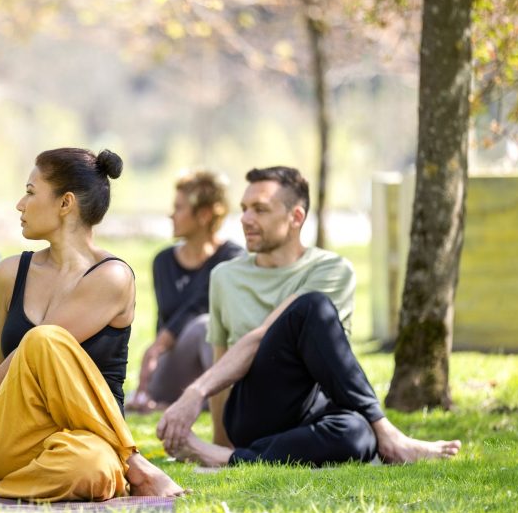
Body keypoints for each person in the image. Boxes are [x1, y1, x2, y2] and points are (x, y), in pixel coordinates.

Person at [0, 148, 184, 501]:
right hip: (10, 435)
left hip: (86, 441)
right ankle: (133, 463)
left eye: (30, 192)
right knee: (41, 341)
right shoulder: (9, 274)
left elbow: (36, 346)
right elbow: (10, 367)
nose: (19, 204)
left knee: (95, 469)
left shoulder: (112, 277)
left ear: (66, 203)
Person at [157, 166, 462, 467]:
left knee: (357, 435)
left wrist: (208, 438)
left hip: (316, 406)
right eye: (245, 208)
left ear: (296, 217)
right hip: (255, 409)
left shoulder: (331, 269)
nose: (246, 219)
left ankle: (232, 459)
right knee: (310, 306)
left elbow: (283, 339)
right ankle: (388, 433)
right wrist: (218, 432)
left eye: (260, 209)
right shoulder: (225, 276)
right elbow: (224, 354)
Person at [128, 170, 243, 413]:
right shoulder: (163, 261)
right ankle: (187, 402)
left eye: (179, 208)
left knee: (205, 325)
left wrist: (157, 346)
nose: (171, 215)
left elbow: (202, 304)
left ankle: (223, 407)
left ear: (204, 214)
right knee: (202, 326)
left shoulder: (232, 259)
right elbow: (165, 320)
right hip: (174, 368)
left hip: (220, 363)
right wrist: (155, 355)